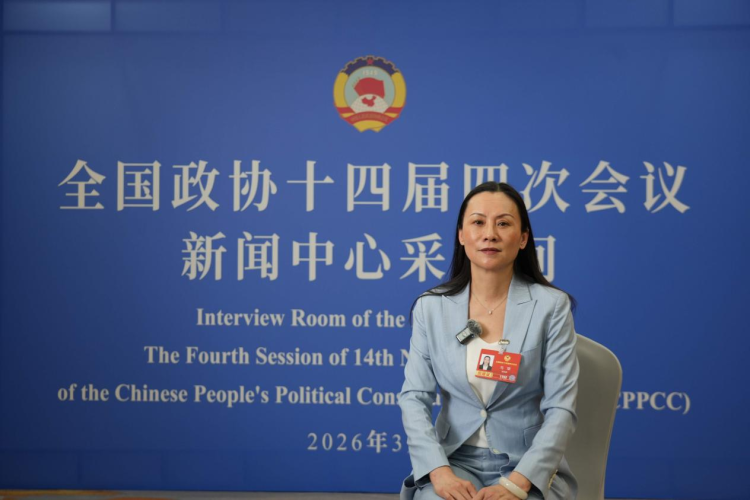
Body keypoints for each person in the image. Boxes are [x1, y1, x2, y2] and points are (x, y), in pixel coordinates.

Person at [399, 182, 579, 500]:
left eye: (503, 223)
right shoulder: (431, 307)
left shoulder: (551, 306)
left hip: (526, 464)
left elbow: (561, 407)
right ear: (461, 235)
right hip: (453, 461)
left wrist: (518, 482)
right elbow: (414, 397)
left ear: (523, 238)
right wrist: (439, 472)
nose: (490, 234)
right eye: (478, 222)